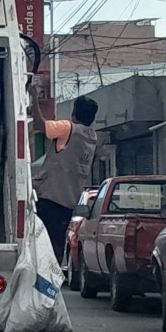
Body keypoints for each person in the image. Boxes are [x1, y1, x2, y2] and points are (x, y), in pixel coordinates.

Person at [30, 87, 99, 262]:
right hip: (68, 201)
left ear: (74, 113)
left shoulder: (68, 128)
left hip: (50, 197)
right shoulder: (92, 137)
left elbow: (40, 125)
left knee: (40, 244)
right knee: (56, 245)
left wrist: (34, 97)